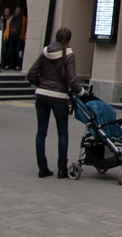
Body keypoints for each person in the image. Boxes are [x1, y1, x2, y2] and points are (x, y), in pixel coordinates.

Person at [26, 27, 84, 178]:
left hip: (41, 95)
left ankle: (42, 167)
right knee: (62, 132)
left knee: (41, 132)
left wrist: (42, 84)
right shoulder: (69, 54)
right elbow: (71, 80)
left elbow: (31, 74)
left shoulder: (46, 51)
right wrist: (82, 92)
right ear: (69, 39)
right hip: (59, 97)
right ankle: (62, 169)